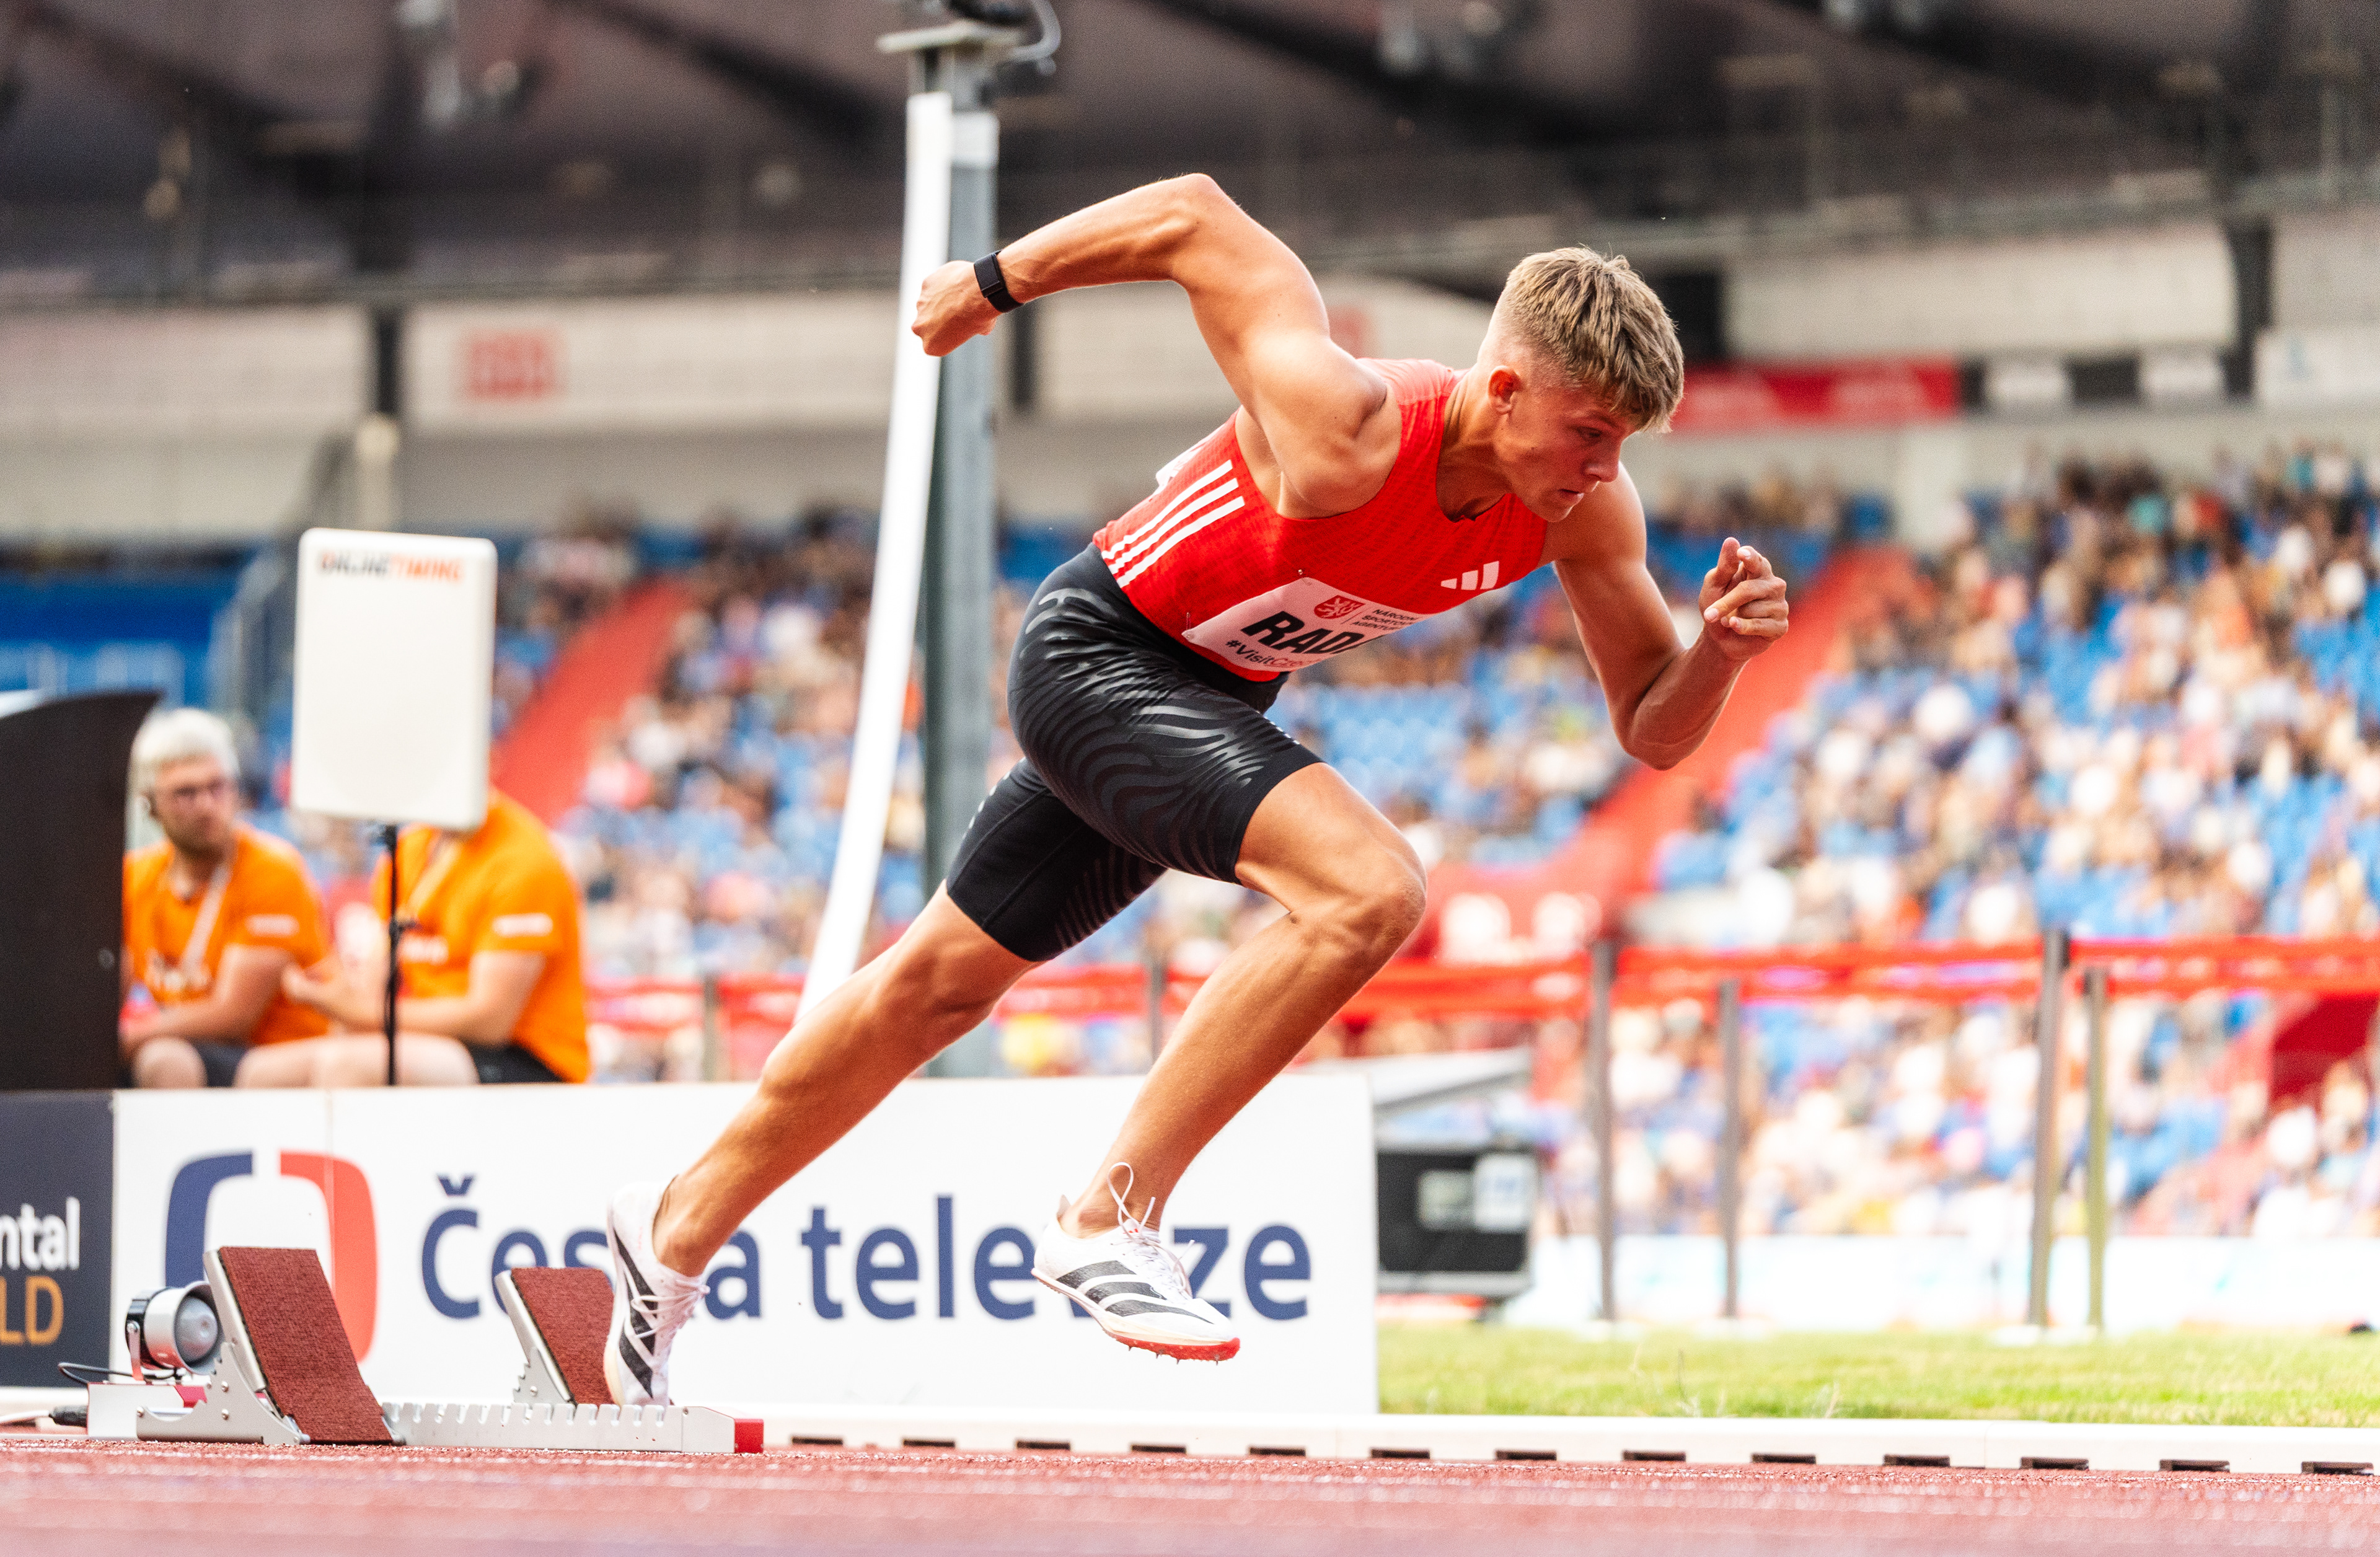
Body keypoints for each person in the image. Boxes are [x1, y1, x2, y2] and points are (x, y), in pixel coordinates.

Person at [601, 174, 1791, 1403]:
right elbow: (1197, 218)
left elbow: (1653, 727)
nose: (1604, 469)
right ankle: (1111, 1213)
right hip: (1093, 654)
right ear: (1503, 387)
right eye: (1589, 432)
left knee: (930, 988)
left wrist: (1721, 654)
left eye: (1623, 447)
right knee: (1371, 889)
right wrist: (990, 282)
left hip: (1201, 704)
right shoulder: (1346, 422)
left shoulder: (1579, 517)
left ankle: (668, 1233)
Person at [254, 786, 589, 1086]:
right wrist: (338, 995)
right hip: (438, 1039)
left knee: (347, 1065)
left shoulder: (523, 862)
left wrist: (356, 1011)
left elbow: (490, 1021)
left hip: (528, 1055)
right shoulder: (410, 849)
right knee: (264, 1073)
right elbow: (375, 978)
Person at [120, 708, 332, 1088]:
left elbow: (235, 1016)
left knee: (163, 1058)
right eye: (186, 793)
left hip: (272, 1050)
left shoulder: (272, 868)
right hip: (196, 1042)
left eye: (218, 787)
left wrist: (132, 1036)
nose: (206, 805)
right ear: (150, 804)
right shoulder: (135, 876)